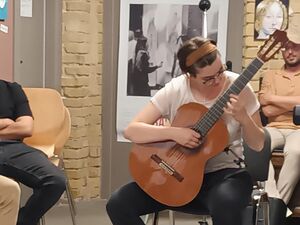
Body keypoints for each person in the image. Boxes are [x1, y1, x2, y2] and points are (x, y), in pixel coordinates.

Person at [106, 36, 265, 225]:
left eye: (220, 71)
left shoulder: (240, 88)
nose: (217, 80)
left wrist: (244, 119)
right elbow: (132, 130)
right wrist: (175, 133)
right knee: (118, 203)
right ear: (189, 74)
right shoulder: (176, 89)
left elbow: (258, 144)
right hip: (176, 176)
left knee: (225, 203)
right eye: (208, 79)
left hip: (225, 176)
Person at [0, 80, 66, 225]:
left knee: (56, 180)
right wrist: (5, 122)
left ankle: (22, 221)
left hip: (13, 147)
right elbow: (18, 127)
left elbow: (26, 128)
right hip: (11, 141)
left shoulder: (11, 89)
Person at [258, 13, 300, 224]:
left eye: (295, 47)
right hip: (274, 127)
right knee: (257, 144)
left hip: (298, 130)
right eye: (286, 47)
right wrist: (293, 103)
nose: (290, 51)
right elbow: (266, 112)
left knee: (296, 151)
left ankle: (276, 207)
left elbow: (269, 102)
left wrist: (273, 98)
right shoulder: (270, 74)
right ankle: (273, 198)